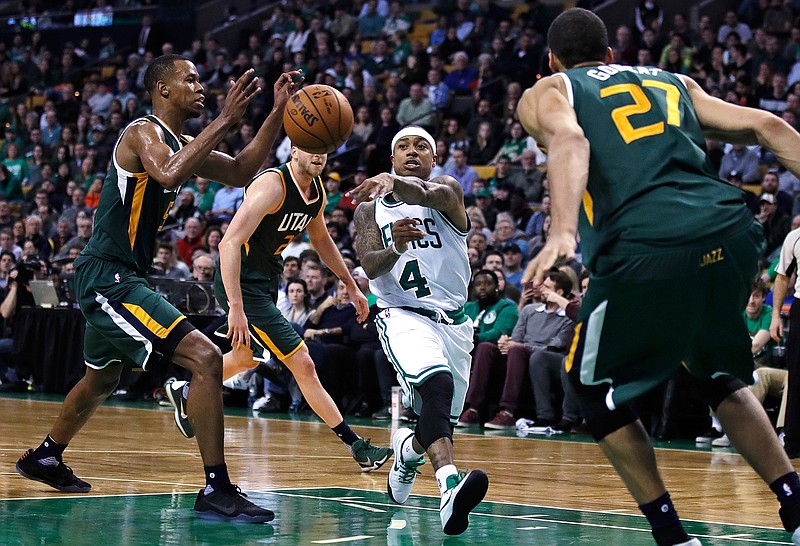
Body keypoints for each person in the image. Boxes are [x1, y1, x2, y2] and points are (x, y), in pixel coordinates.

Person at [518, 9, 800, 546]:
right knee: (715, 373)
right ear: (609, 56)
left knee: (588, 385)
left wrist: (561, 232)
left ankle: (672, 534)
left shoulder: (549, 89)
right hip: (732, 232)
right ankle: (794, 502)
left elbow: (571, 142)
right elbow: (769, 127)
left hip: (649, 245)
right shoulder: (671, 81)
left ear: (551, 60)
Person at [15, 54, 303, 524]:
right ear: (163, 90)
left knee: (102, 379)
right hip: (107, 275)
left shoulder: (181, 143)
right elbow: (167, 171)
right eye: (190, 79)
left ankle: (45, 456)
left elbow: (241, 170)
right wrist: (227, 118)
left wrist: (275, 113)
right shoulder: (141, 133)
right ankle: (217, 488)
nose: (201, 85)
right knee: (207, 358)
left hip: (122, 276)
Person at [168, 143, 393, 473]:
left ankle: (187, 391)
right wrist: (236, 306)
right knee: (303, 363)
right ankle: (356, 445)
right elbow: (228, 242)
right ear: (294, 151)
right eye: (310, 145)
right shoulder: (273, 185)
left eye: (323, 147)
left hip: (264, 281)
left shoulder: (315, 192)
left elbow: (320, 240)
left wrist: (350, 283)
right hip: (242, 282)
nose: (318, 154)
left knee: (247, 358)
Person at [349, 125, 488, 535]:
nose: (412, 152)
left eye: (421, 147)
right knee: (437, 387)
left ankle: (406, 453)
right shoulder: (369, 211)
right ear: (391, 158)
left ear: (434, 157)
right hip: (402, 314)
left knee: (440, 417)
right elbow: (370, 265)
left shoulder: (447, 191)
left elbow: (424, 195)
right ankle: (449, 488)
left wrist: (396, 183)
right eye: (403, 147)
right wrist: (396, 247)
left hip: (455, 323)